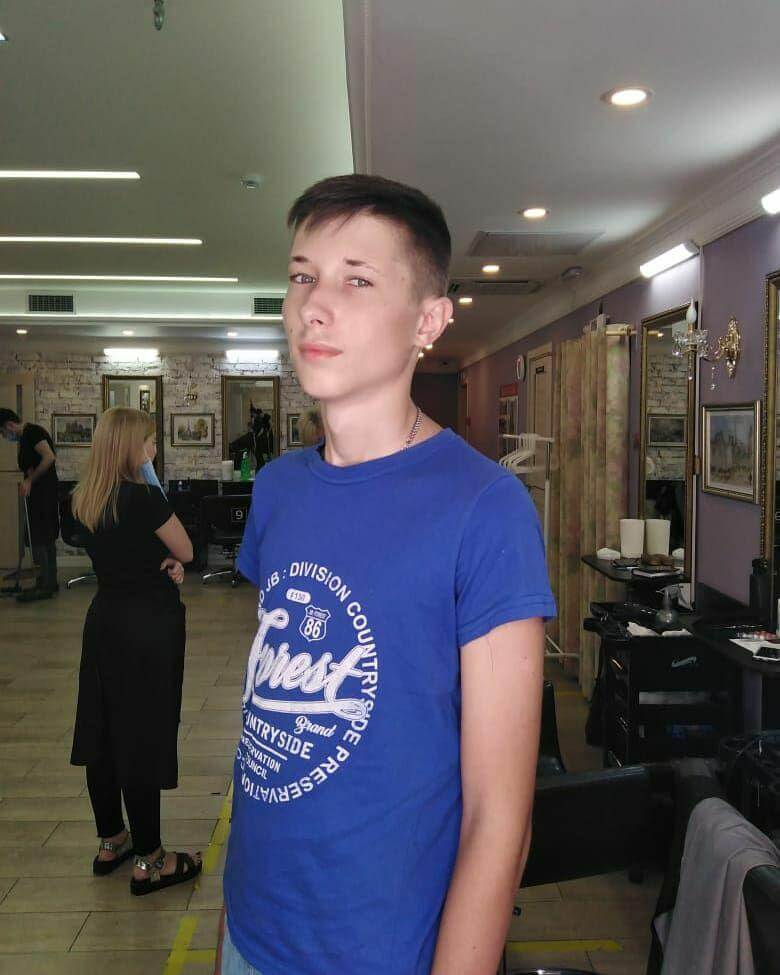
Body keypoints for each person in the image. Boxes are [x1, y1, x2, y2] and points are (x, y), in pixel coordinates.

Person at [218, 174, 555, 975]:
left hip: (383, 948)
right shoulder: (279, 488)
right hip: (250, 930)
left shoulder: (485, 508)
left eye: (357, 280)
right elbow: (272, 724)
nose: (313, 305)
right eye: (302, 275)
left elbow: (499, 818)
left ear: (429, 321)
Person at [70, 407, 202, 895]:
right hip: (147, 626)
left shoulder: (84, 498)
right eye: (148, 441)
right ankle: (152, 860)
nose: (153, 449)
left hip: (104, 620)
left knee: (101, 730)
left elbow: (121, 551)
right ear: (130, 447)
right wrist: (170, 561)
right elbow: (186, 550)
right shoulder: (145, 498)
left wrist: (158, 559)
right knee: (141, 733)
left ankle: (112, 839)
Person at [0, 409, 60, 601]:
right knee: (42, 536)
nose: (4, 437)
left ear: (9, 425)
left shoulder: (32, 432)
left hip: (43, 493)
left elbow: (49, 457)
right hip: (39, 493)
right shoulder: (25, 437)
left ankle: (45, 585)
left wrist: (29, 480)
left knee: (41, 536)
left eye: (2, 432)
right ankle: (48, 582)